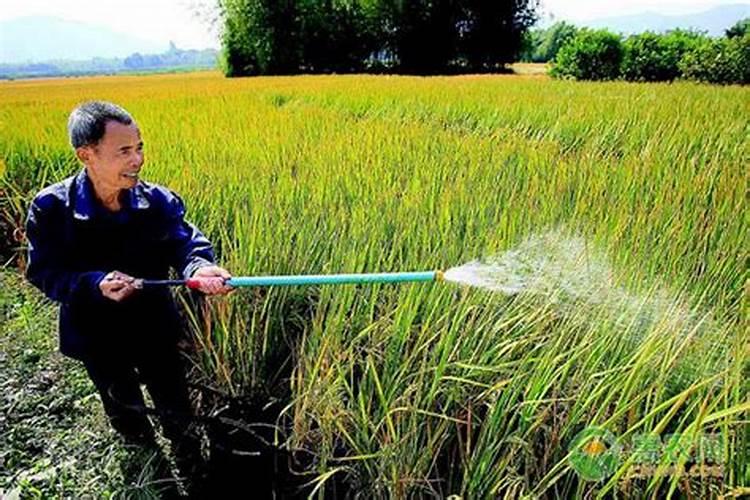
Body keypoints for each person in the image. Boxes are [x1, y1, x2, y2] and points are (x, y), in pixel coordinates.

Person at [24, 100, 233, 494]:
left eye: (139, 147)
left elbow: (187, 242)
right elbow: (44, 273)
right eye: (124, 151)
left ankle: (192, 468)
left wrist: (198, 269)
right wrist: (93, 284)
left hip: (154, 327)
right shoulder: (51, 208)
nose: (137, 159)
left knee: (176, 407)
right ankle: (150, 473)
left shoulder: (156, 201)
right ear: (87, 154)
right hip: (95, 334)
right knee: (124, 410)